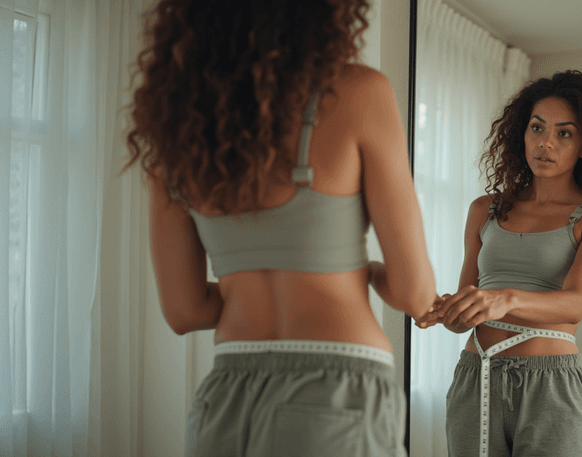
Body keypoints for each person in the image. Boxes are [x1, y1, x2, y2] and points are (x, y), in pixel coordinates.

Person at [123, 1, 436, 455]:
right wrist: (355, 270)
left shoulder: (174, 128)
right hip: (338, 384)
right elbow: (416, 295)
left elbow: (184, 311)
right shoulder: (358, 91)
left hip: (227, 391)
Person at [415, 70, 582, 456]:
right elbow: (463, 319)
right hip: (476, 375)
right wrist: (447, 310)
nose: (545, 143)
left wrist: (504, 298)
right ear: (521, 133)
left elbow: (575, 304)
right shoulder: (484, 210)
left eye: (564, 133)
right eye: (537, 128)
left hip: (550, 386)